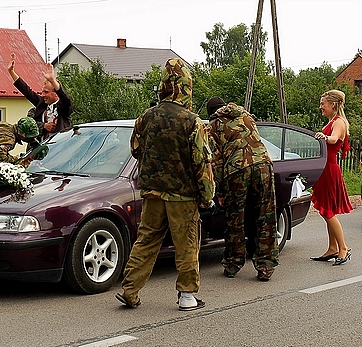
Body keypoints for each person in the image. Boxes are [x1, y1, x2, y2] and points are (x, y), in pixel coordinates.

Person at [115, 58, 214, 311]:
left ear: (163, 87)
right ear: (186, 88)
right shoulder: (193, 121)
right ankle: (187, 296)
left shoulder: (146, 117)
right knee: (187, 243)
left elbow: (136, 149)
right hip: (183, 195)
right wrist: (207, 194)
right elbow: (201, 162)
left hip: (152, 192)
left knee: (147, 240)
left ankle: (130, 290)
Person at [206, 97, 279, 281]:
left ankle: (233, 264)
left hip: (237, 170)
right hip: (263, 165)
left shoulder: (214, 125)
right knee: (265, 216)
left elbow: (216, 162)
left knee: (235, 219)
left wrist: (220, 193)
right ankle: (266, 266)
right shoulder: (246, 115)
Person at [310, 90, 353, 265]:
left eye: (323, 104)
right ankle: (332, 247)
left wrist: (324, 136)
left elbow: (334, 139)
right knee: (328, 210)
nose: (321, 107)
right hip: (325, 168)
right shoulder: (333, 121)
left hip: (329, 169)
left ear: (333, 105)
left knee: (328, 212)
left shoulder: (340, 123)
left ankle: (343, 248)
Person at [8, 53, 73, 141]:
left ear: (56, 94)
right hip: (39, 148)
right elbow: (26, 91)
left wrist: (52, 80)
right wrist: (11, 72)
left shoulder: (63, 108)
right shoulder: (41, 103)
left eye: (46, 92)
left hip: (59, 148)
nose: (43, 95)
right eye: (42, 92)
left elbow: (66, 99)